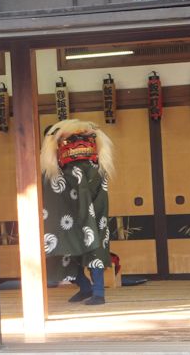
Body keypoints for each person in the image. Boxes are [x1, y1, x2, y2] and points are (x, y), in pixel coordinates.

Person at [41, 119, 114, 305]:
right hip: (67, 215)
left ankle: (98, 292)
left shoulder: (94, 167)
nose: (78, 144)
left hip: (93, 214)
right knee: (63, 248)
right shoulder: (58, 169)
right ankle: (85, 286)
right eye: (71, 140)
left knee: (94, 245)